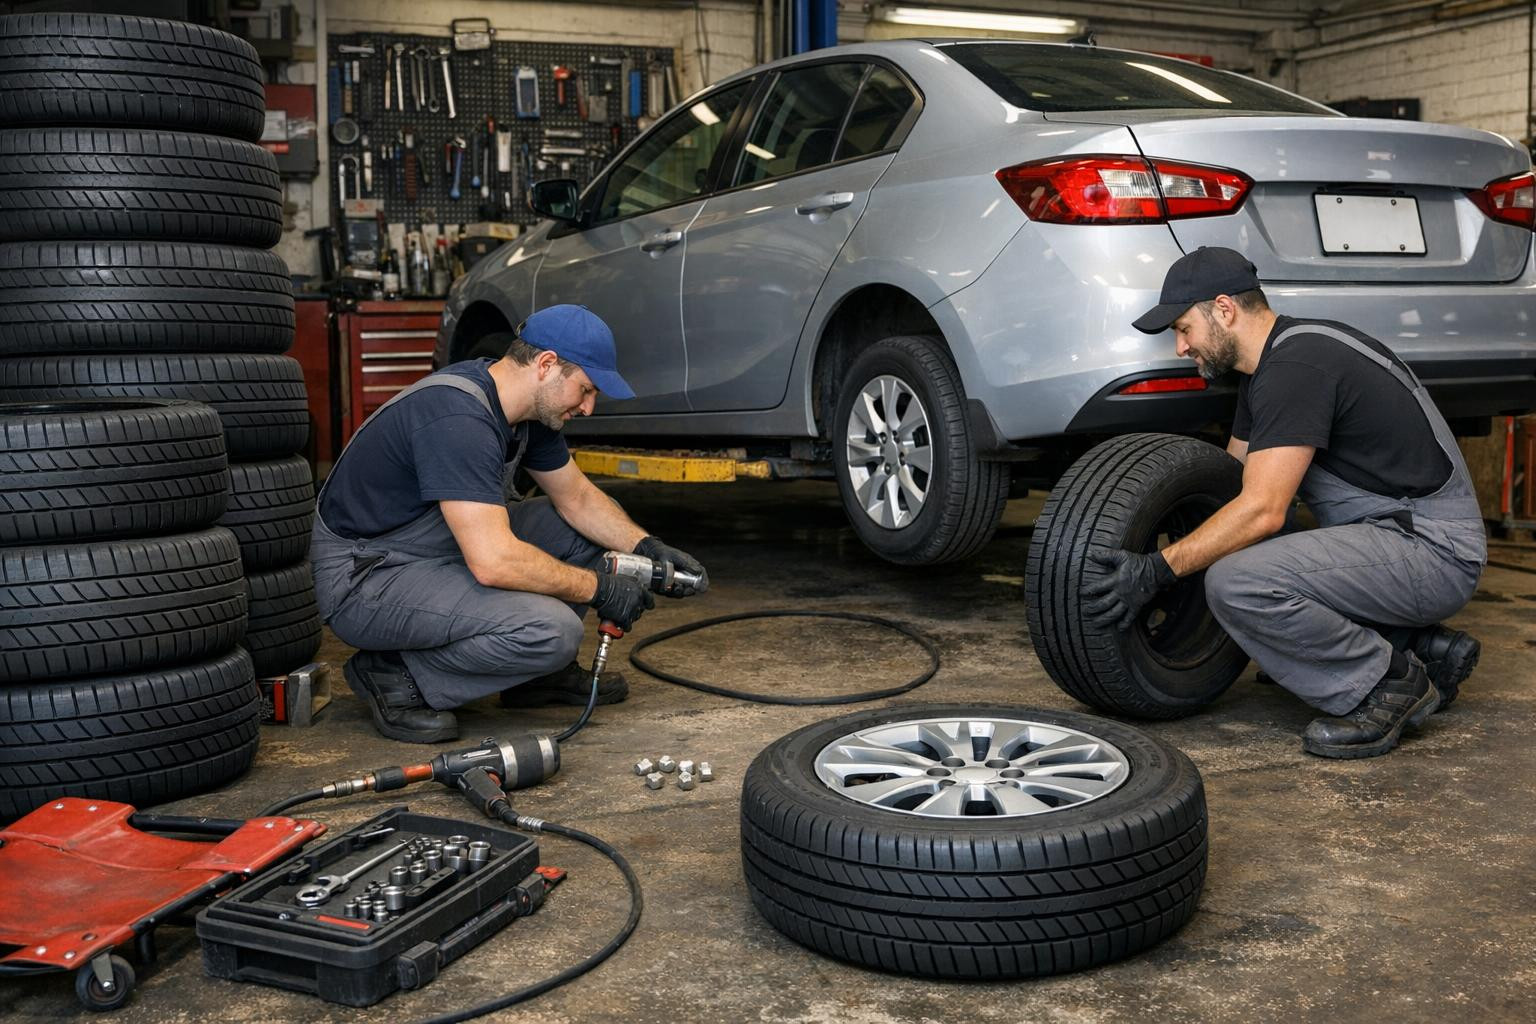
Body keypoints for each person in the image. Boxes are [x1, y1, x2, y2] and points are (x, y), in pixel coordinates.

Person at [1085, 247, 1484, 759]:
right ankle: (1423, 647)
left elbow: (1263, 509)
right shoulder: (1268, 368)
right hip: (1389, 536)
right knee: (1233, 551)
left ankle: (1386, 683)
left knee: (1239, 583)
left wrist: (1160, 569)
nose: (1181, 347)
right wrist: (1182, 549)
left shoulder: (1296, 366)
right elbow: (1231, 488)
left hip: (1434, 550)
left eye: (1184, 329)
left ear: (1224, 309)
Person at [311, 305, 708, 743]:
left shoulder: (528, 413)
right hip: (367, 578)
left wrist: (646, 546)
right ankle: (397, 675)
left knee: (575, 526)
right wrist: (599, 588)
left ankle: (536, 678)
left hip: (439, 547)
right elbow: (493, 562)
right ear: (546, 364)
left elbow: (577, 499)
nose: (588, 407)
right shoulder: (458, 416)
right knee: (551, 631)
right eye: (586, 389)